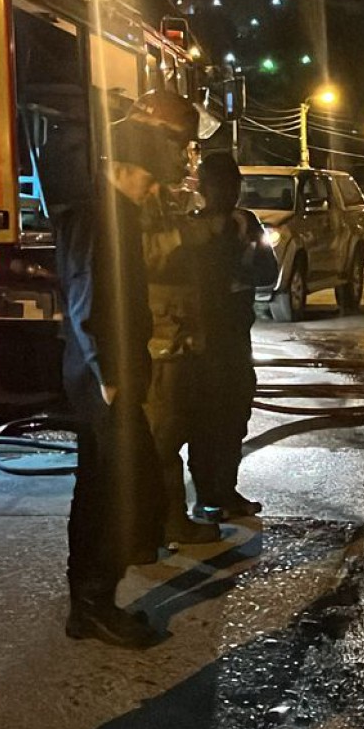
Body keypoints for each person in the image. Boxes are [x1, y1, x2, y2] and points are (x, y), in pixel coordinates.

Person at [55, 97, 201, 648]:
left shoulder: (107, 207)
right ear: (124, 169)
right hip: (102, 379)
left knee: (100, 486)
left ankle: (88, 603)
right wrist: (109, 377)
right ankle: (93, 602)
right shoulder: (100, 214)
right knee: (123, 492)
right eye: (147, 180)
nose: (151, 190)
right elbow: (87, 297)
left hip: (102, 375)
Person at [150, 151, 279, 521]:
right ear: (204, 187)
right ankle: (206, 497)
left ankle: (221, 493)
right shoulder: (190, 227)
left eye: (234, 184)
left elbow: (268, 271)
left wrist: (241, 271)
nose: (229, 192)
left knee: (233, 415)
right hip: (197, 342)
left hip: (234, 340)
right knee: (201, 418)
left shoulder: (246, 223)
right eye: (221, 184)